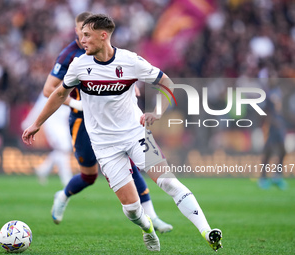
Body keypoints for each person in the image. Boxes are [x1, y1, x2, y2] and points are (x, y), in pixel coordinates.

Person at [22, 14, 222, 252]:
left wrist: (157, 111)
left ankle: (207, 231)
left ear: (102, 35)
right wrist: (37, 123)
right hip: (105, 146)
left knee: (170, 183)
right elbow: (57, 93)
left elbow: (167, 83)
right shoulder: (78, 65)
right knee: (132, 209)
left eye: (86, 35)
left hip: (136, 135)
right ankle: (147, 227)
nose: (81, 40)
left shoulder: (130, 61)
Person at [42, 12, 173, 233]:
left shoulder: (103, 49)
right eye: (80, 30)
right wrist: (77, 105)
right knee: (89, 176)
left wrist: (131, 87)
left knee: (131, 164)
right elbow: (49, 90)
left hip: (113, 122)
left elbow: (120, 72)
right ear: (76, 30)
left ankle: (152, 217)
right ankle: (63, 195)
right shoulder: (69, 56)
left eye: (87, 31)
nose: (83, 36)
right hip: (83, 121)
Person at [21, 92, 73, 186]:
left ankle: (43, 170)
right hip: (52, 125)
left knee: (62, 150)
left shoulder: (68, 88)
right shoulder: (49, 91)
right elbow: (38, 108)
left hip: (63, 126)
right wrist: (28, 123)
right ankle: (67, 180)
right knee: (63, 149)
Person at [258, 75, 287, 190]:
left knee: (282, 151)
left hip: (279, 126)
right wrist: (272, 121)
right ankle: (263, 178)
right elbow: (263, 112)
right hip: (270, 127)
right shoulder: (265, 94)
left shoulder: (278, 92)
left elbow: (281, 109)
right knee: (268, 152)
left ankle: (277, 176)